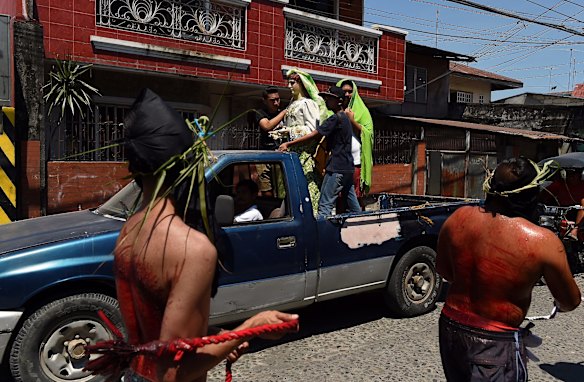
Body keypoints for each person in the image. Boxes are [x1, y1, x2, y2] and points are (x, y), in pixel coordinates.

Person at [112, 89, 298, 382]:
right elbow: (173, 372)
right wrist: (247, 328)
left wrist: (215, 340)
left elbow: (156, 331)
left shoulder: (128, 229)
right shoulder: (191, 249)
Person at [436, 157, 581, 382]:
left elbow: (445, 272)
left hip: (451, 328)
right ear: (532, 196)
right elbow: (570, 301)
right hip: (495, 340)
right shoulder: (543, 241)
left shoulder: (458, 219)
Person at [279, 86, 360, 217]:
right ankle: (363, 228)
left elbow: (315, 134)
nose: (326, 100)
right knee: (353, 206)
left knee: (324, 205)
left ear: (339, 101)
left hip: (337, 168)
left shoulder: (335, 119)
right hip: (347, 168)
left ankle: (323, 236)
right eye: (325, 98)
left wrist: (288, 143)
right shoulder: (345, 118)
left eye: (329, 98)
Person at [282, 68, 330, 216]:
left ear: (301, 84)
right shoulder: (291, 104)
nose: (289, 86)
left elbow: (312, 130)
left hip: (305, 154)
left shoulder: (307, 104)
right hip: (292, 152)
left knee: (307, 185)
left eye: (292, 83)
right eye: (289, 83)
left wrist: (290, 132)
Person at [337, 79, 374, 199]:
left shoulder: (362, 111)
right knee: (340, 199)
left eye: (350, 91)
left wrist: (352, 120)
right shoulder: (333, 110)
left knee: (355, 198)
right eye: (344, 92)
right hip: (337, 163)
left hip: (355, 164)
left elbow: (368, 134)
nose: (347, 95)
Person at [255, 87, 287, 196]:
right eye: (272, 100)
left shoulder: (285, 115)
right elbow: (266, 126)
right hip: (265, 153)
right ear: (265, 101)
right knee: (265, 187)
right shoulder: (259, 113)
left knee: (280, 186)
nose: (276, 102)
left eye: (277, 99)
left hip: (280, 153)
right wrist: (283, 113)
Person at [540, 167, 584, 240]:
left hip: (580, 212)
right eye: (569, 174)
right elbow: (543, 195)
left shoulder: (582, 185)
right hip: (563, 211)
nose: (571, 177)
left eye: (574, 174)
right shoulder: (559, 184)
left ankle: (576, 230)